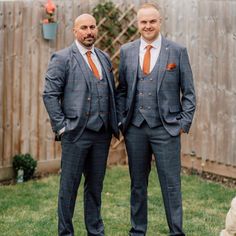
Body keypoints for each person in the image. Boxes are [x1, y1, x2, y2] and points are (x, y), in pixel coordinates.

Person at [116, 3, 196, 236]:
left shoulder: (177, 51)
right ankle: (138, 231)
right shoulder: (127, 51)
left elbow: (189, 93)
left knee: (171, 185)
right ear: (138, 24)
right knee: (137, 185)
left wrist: (182, 124)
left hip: (167, 129)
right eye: (144, 22)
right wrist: (123, 121)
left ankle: (176, 232)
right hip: (135, 129)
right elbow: (122, 91)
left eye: (152, 21)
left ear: (160, 22)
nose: (148, 26)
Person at [43, 14, 119, 236]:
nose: (89, 32)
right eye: (84, 28)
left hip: (101, 134)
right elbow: (49, 95)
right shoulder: (62, 58)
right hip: (75, 134)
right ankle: (66, 233)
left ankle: (95, 231)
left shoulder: (103, 58)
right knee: (69, 188)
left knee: (95, 188)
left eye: (92, 27)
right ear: (75, 31)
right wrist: (62, 127)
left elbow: (110, 93)